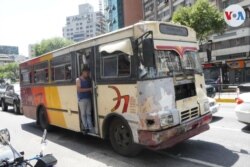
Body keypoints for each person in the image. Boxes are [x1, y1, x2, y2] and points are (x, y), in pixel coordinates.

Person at [76, 67, 93, 133]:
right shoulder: (78, 80)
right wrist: (89, 89)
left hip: (88, 98)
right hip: (82, 99)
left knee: (88, 113)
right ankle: (86, 128)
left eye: (88, 73)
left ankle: (90, 127)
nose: (88, 74)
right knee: (83, 114)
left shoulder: (88, 79)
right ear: (83, 72)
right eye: (87, 72)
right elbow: (79, 90)